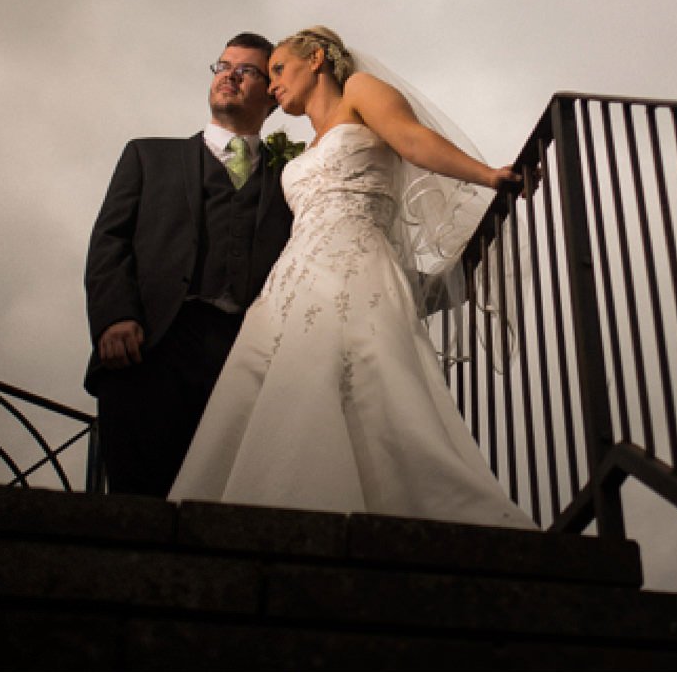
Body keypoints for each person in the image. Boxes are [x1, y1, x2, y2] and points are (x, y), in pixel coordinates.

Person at [169, 26, 536, 529]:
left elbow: (411, 140)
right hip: (289, 285)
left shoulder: (361, 92)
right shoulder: (301, 152)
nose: (272, 84)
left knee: (367, 386)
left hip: (356, 266)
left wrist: (487, 175)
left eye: (278, 69)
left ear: (317, 59)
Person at [82, 33, 296, 496]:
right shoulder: (147, 155)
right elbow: (109, 240)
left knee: (226, 505)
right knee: (136, 503)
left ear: (272, 96)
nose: (229, 75)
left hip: (244, 356)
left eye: (247, 70)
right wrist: (116, 315)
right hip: (150, 345)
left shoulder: (292, 179)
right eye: (222, 65)